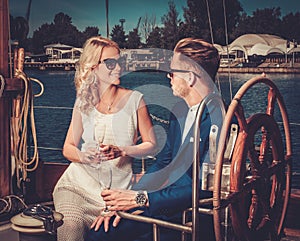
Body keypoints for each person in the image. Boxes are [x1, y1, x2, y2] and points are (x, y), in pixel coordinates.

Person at [85, 38, 222, 241]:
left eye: (173, 72)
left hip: (190, 214)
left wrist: (141, 199)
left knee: (101, 237)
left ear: (191, 77)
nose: (169, 77)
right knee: (98, 233)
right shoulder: (179, 110)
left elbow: (205, 188)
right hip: (163, 202)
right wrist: (126, 201)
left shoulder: (220, 118)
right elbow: (163, 162)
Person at [53, 36, 157, 241]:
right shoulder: (83, 101)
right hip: (76, 187)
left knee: (107, 234)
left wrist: (123, 150)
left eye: (120, 61)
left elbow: (152, 145)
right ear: (93, 67)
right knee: (70, 228)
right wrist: (85, 156)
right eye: (110, 62)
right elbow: (68, 148)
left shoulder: (135, 100)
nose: (118, 67)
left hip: (116, 196)